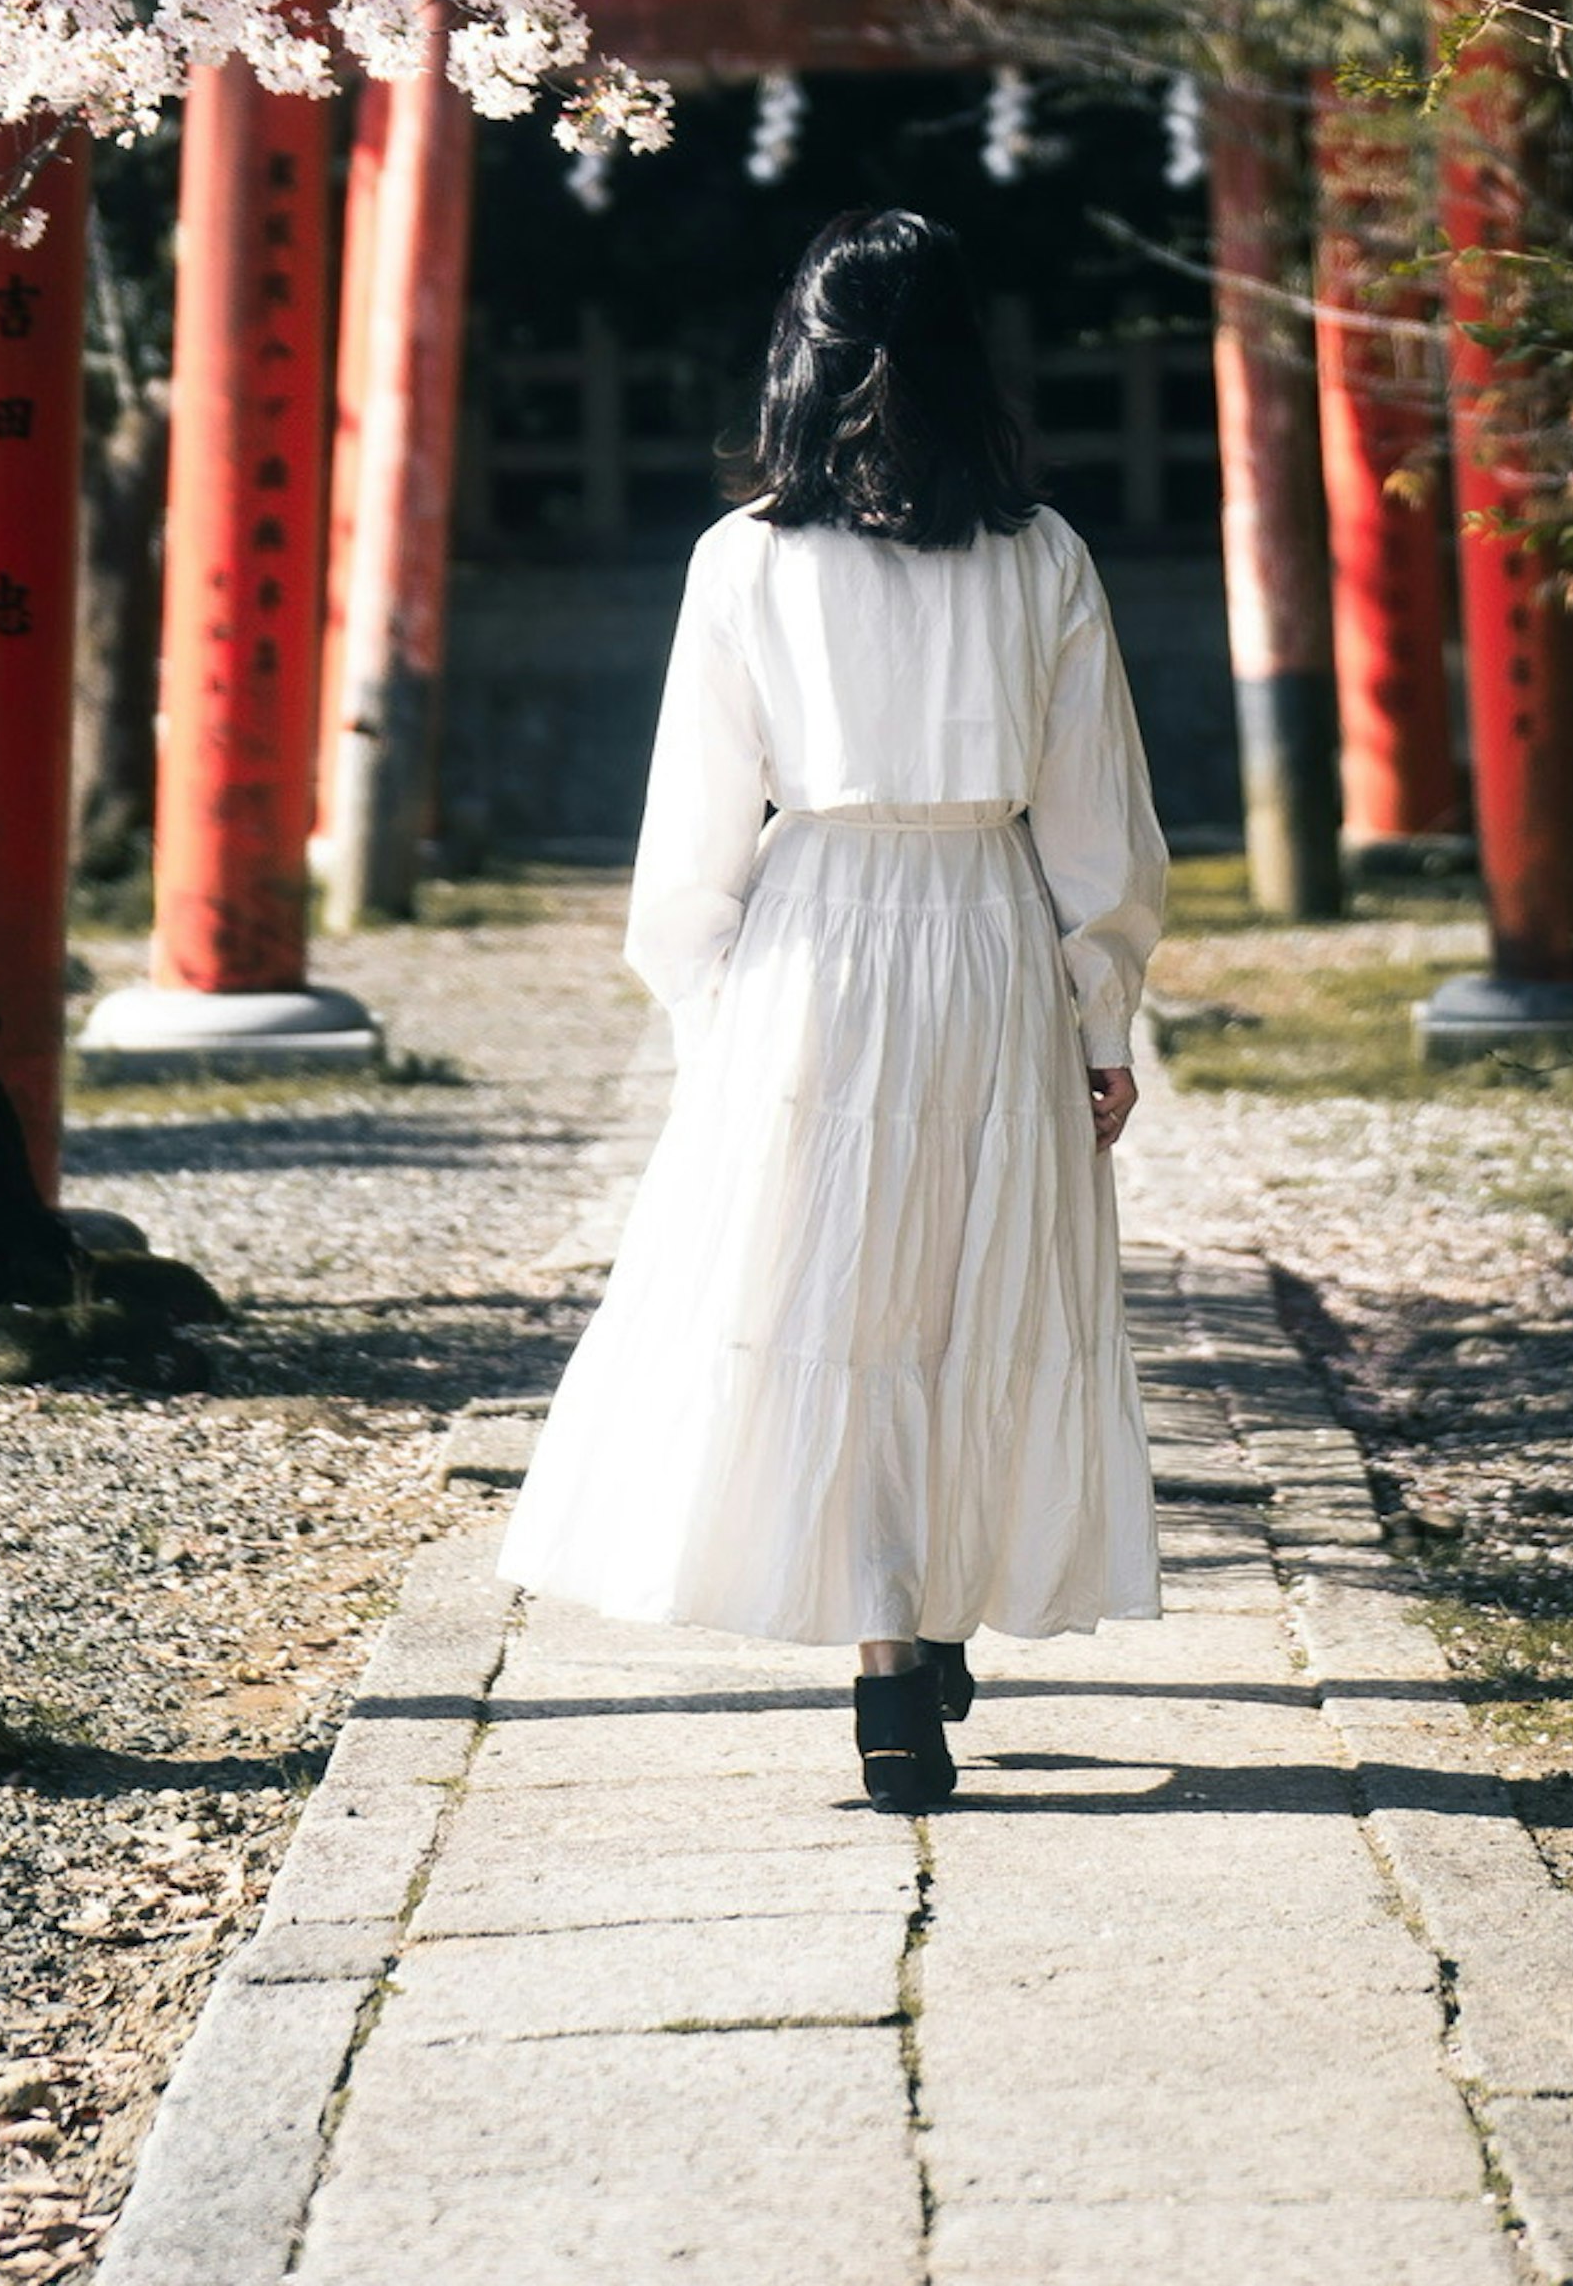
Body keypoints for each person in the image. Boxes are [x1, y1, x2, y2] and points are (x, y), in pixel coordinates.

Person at [501, 204, 1170, 1813]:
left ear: (802, 361)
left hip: (816, 937)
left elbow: (695, 829)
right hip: (989, 926)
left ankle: (892, 1665)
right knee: (970, 1283)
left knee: (836, 1292)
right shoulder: (1045, 555)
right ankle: (928, 1615)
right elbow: (1099, 822)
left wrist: (705, 1010)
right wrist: (1103, 1013)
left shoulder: (744, 559)